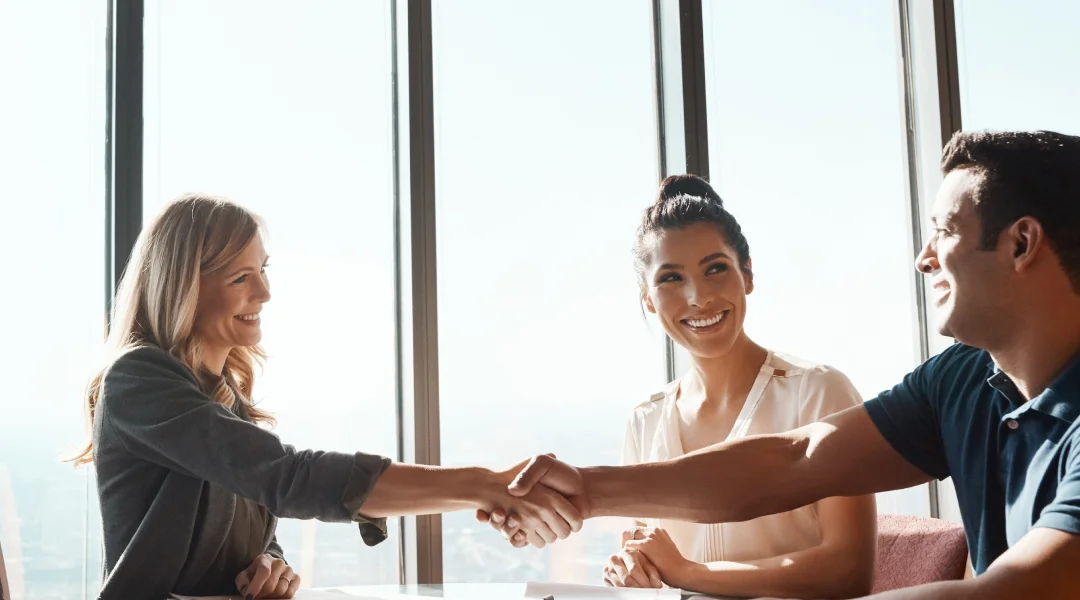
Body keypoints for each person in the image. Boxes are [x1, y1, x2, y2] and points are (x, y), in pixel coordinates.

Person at [488, 130, 1080, 599]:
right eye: (670, 278)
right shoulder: (960, 380)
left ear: (1021, 243)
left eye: (942, 232)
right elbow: (794, 460)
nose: (922, 259)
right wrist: (587, 489)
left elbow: (1021, 590)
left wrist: (690, 572)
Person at [68, 195, 582, 600]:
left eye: (264, 269)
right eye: (241, 277)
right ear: (182, 287)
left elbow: (256, 523)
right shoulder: (138, 381)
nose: (265, 293)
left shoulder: (230, 405)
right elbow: (287, 477)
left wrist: (270, 567)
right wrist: (485, 485)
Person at [487, 175, 876, 598]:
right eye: (671, 278)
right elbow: (646, 560)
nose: (698, 297)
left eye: (715, 269)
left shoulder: (818, 392)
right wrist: (631, 573)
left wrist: (690, 573)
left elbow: (848, 570)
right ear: (648, 299)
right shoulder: (646, 419)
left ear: (747, 274)